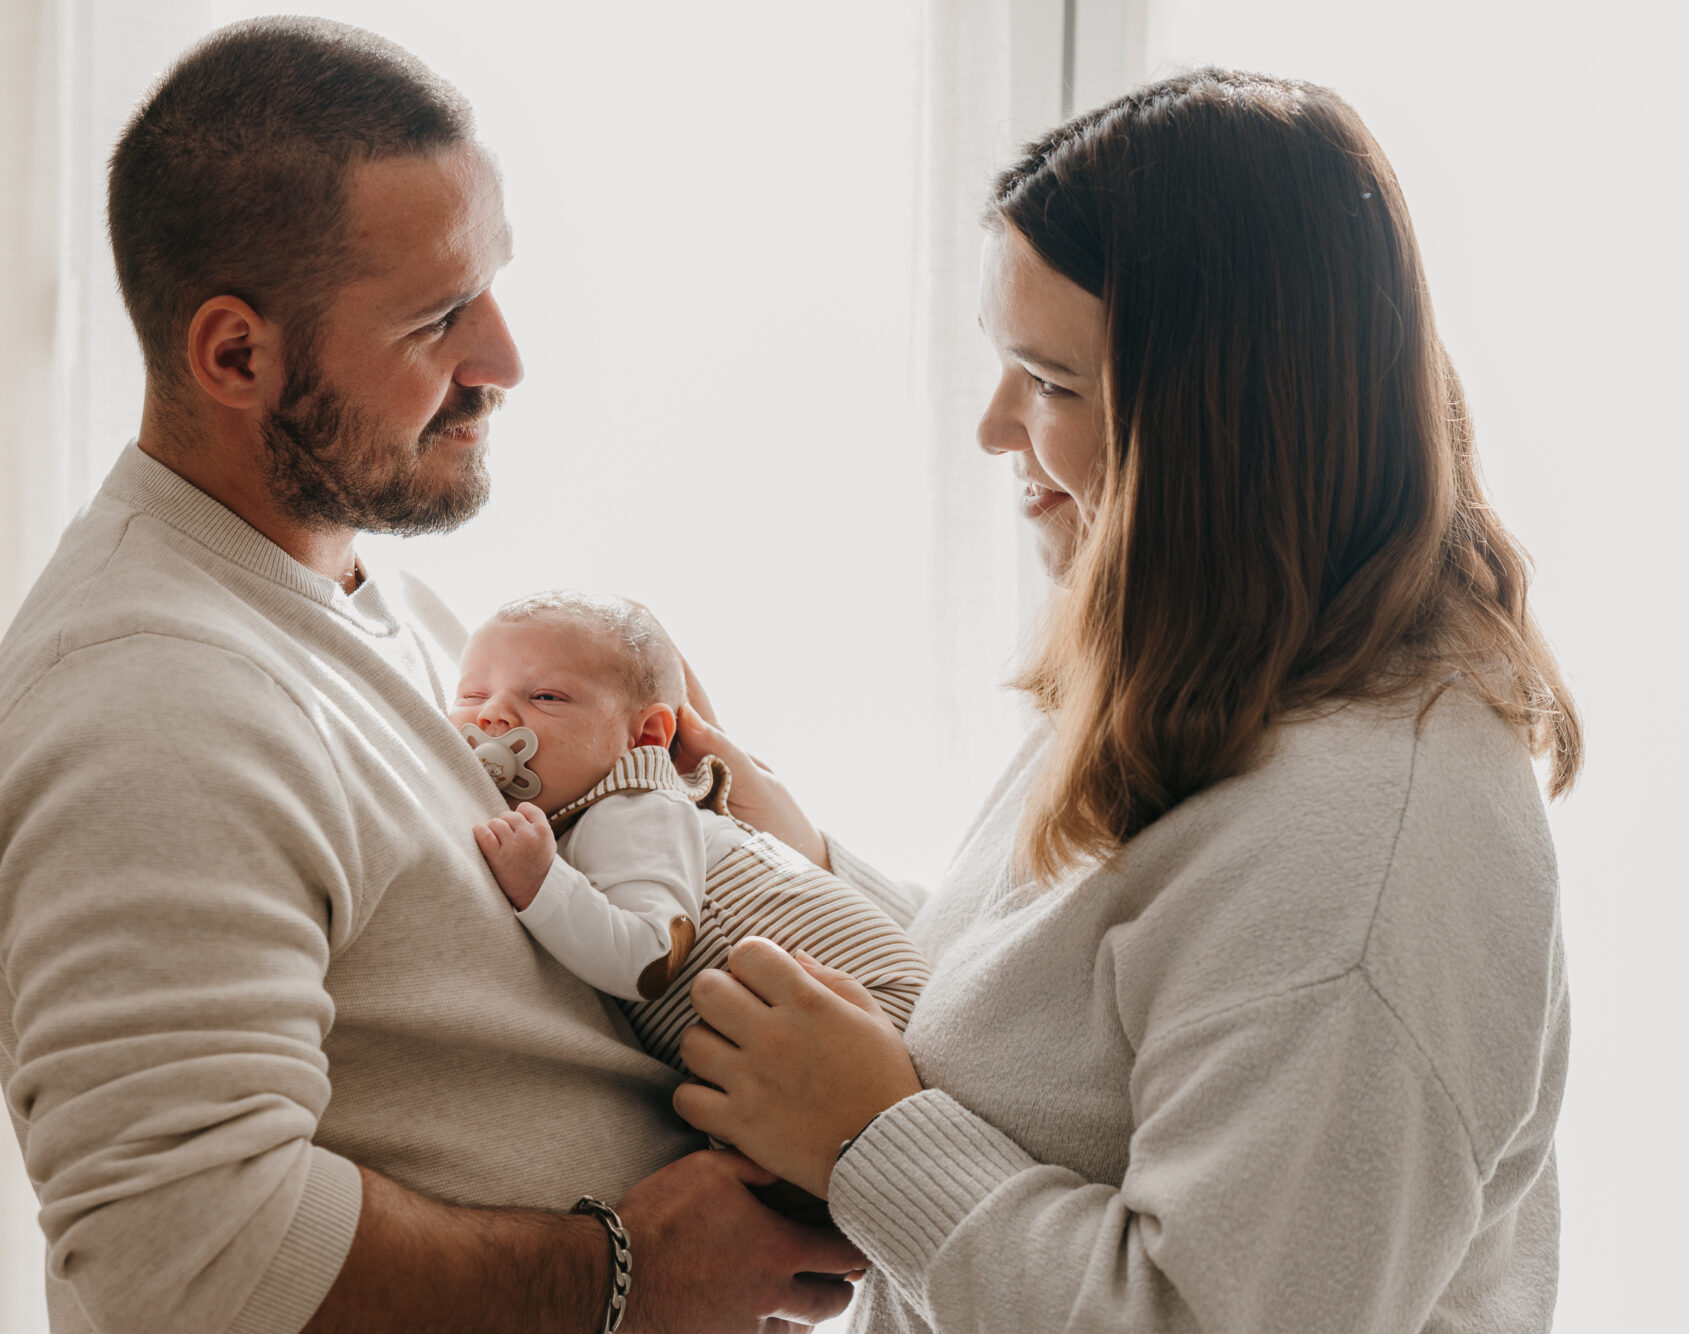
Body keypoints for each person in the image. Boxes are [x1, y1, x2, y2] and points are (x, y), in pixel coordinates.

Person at [0, 18, 868, 1334]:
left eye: (490, 286)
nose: (504, 360)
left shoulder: (387, 604)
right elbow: (184, 1252)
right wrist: (627, 1275)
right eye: (439, 318)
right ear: (236, 357)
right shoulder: (153, 710)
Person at [668, 69, 1580, 1333]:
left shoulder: (1366, 850)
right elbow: (1084, 1025)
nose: (995, 428)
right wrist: (813, 871)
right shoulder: (1221, 674)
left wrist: (870, 1140)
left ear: (1214, 427)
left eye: (1048, 383)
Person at [452, 591, 929, 1065]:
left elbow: (650, 958)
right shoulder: (598, 816)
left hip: (872, 1006)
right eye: (472, 695)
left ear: (645, 737)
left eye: (545, 697)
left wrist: (539, 883)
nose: (491, 713)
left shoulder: (635, 810)